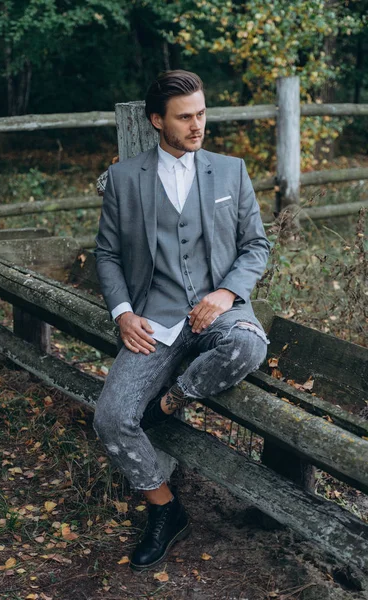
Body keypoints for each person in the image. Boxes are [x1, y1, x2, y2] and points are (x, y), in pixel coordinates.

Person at [93, 70, 270, 571]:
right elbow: (106, 255)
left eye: (202, 113)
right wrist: (124, 313)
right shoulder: (125, 179)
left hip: (220, 310)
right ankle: (166, 510)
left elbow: (256, 246)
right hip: (156, 318)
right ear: (157, 121)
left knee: (249, 348)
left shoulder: (231, 171)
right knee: (110, 417)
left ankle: (169, 401)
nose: (198, 125)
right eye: (185, 117)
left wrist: (227, 291)